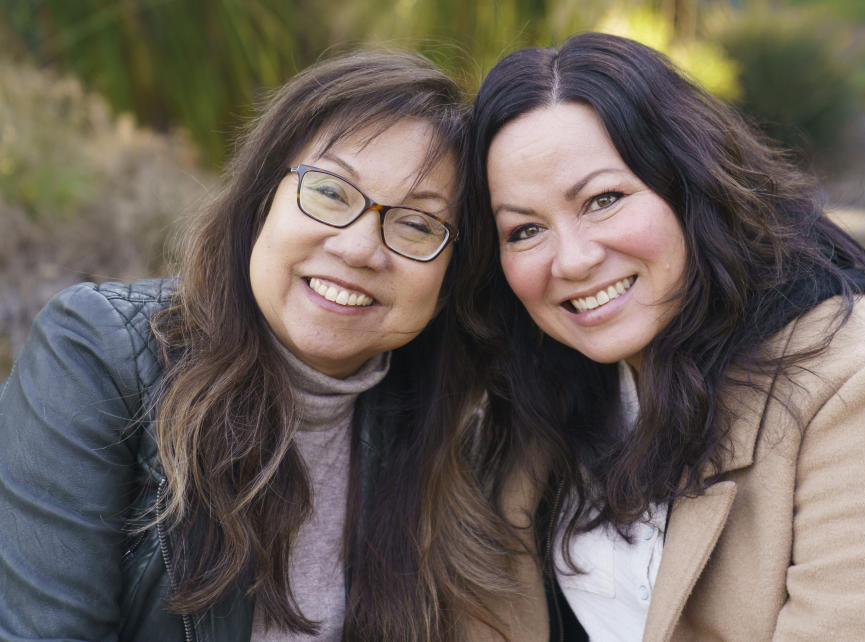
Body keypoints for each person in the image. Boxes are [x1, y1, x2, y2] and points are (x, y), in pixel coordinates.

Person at [0, 50, 546, 641]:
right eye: (332, 192)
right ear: (263, 198)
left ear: (449, 280)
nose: (361, 248)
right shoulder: (96, 355)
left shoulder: (446, 427)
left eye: (417, 225)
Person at [465, 32, 865, 640]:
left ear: (691, 183)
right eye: (523, 230)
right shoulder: (533, 385)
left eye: (603, 200)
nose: (570, 261)